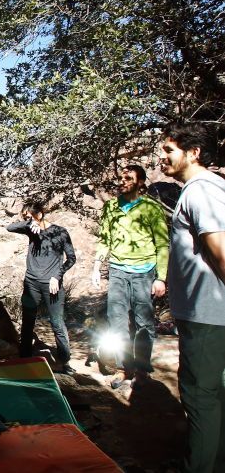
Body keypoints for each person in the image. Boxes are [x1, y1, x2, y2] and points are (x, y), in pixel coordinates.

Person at [159, 122, 225, 473]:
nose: (161, 156)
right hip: (206, 315)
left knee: (200, 397)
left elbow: (221, 251)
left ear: (194, 152)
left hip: (207, 316)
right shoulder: (203, 189)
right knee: (213, 397)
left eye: (169, 150)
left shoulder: (202, 190)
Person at [91, 164, 169, 389]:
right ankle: (124, 369)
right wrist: (96, 267)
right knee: (116, 319)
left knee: (143, 322)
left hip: (144, 272)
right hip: (117, 270)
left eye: (128, 178)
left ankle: (143, 371)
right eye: (121, 177)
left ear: (141, 182)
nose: (122, 181)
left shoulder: (151, 208)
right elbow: (104, 239)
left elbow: (162, 244)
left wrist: (160, 277)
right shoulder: (111, 207)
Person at [7, 200, 77, 374]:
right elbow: (10, 227)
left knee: (57, 324)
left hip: (52, 285)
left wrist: (57, 276)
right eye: (24, 217)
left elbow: (71, 258)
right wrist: (29, 224)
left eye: (29, 216)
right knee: (28, 323)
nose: (26, 219)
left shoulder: (60, 232)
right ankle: (24, 360)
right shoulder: (30, 229)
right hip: (31, 283)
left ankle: (64, 361)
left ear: (39, 214)